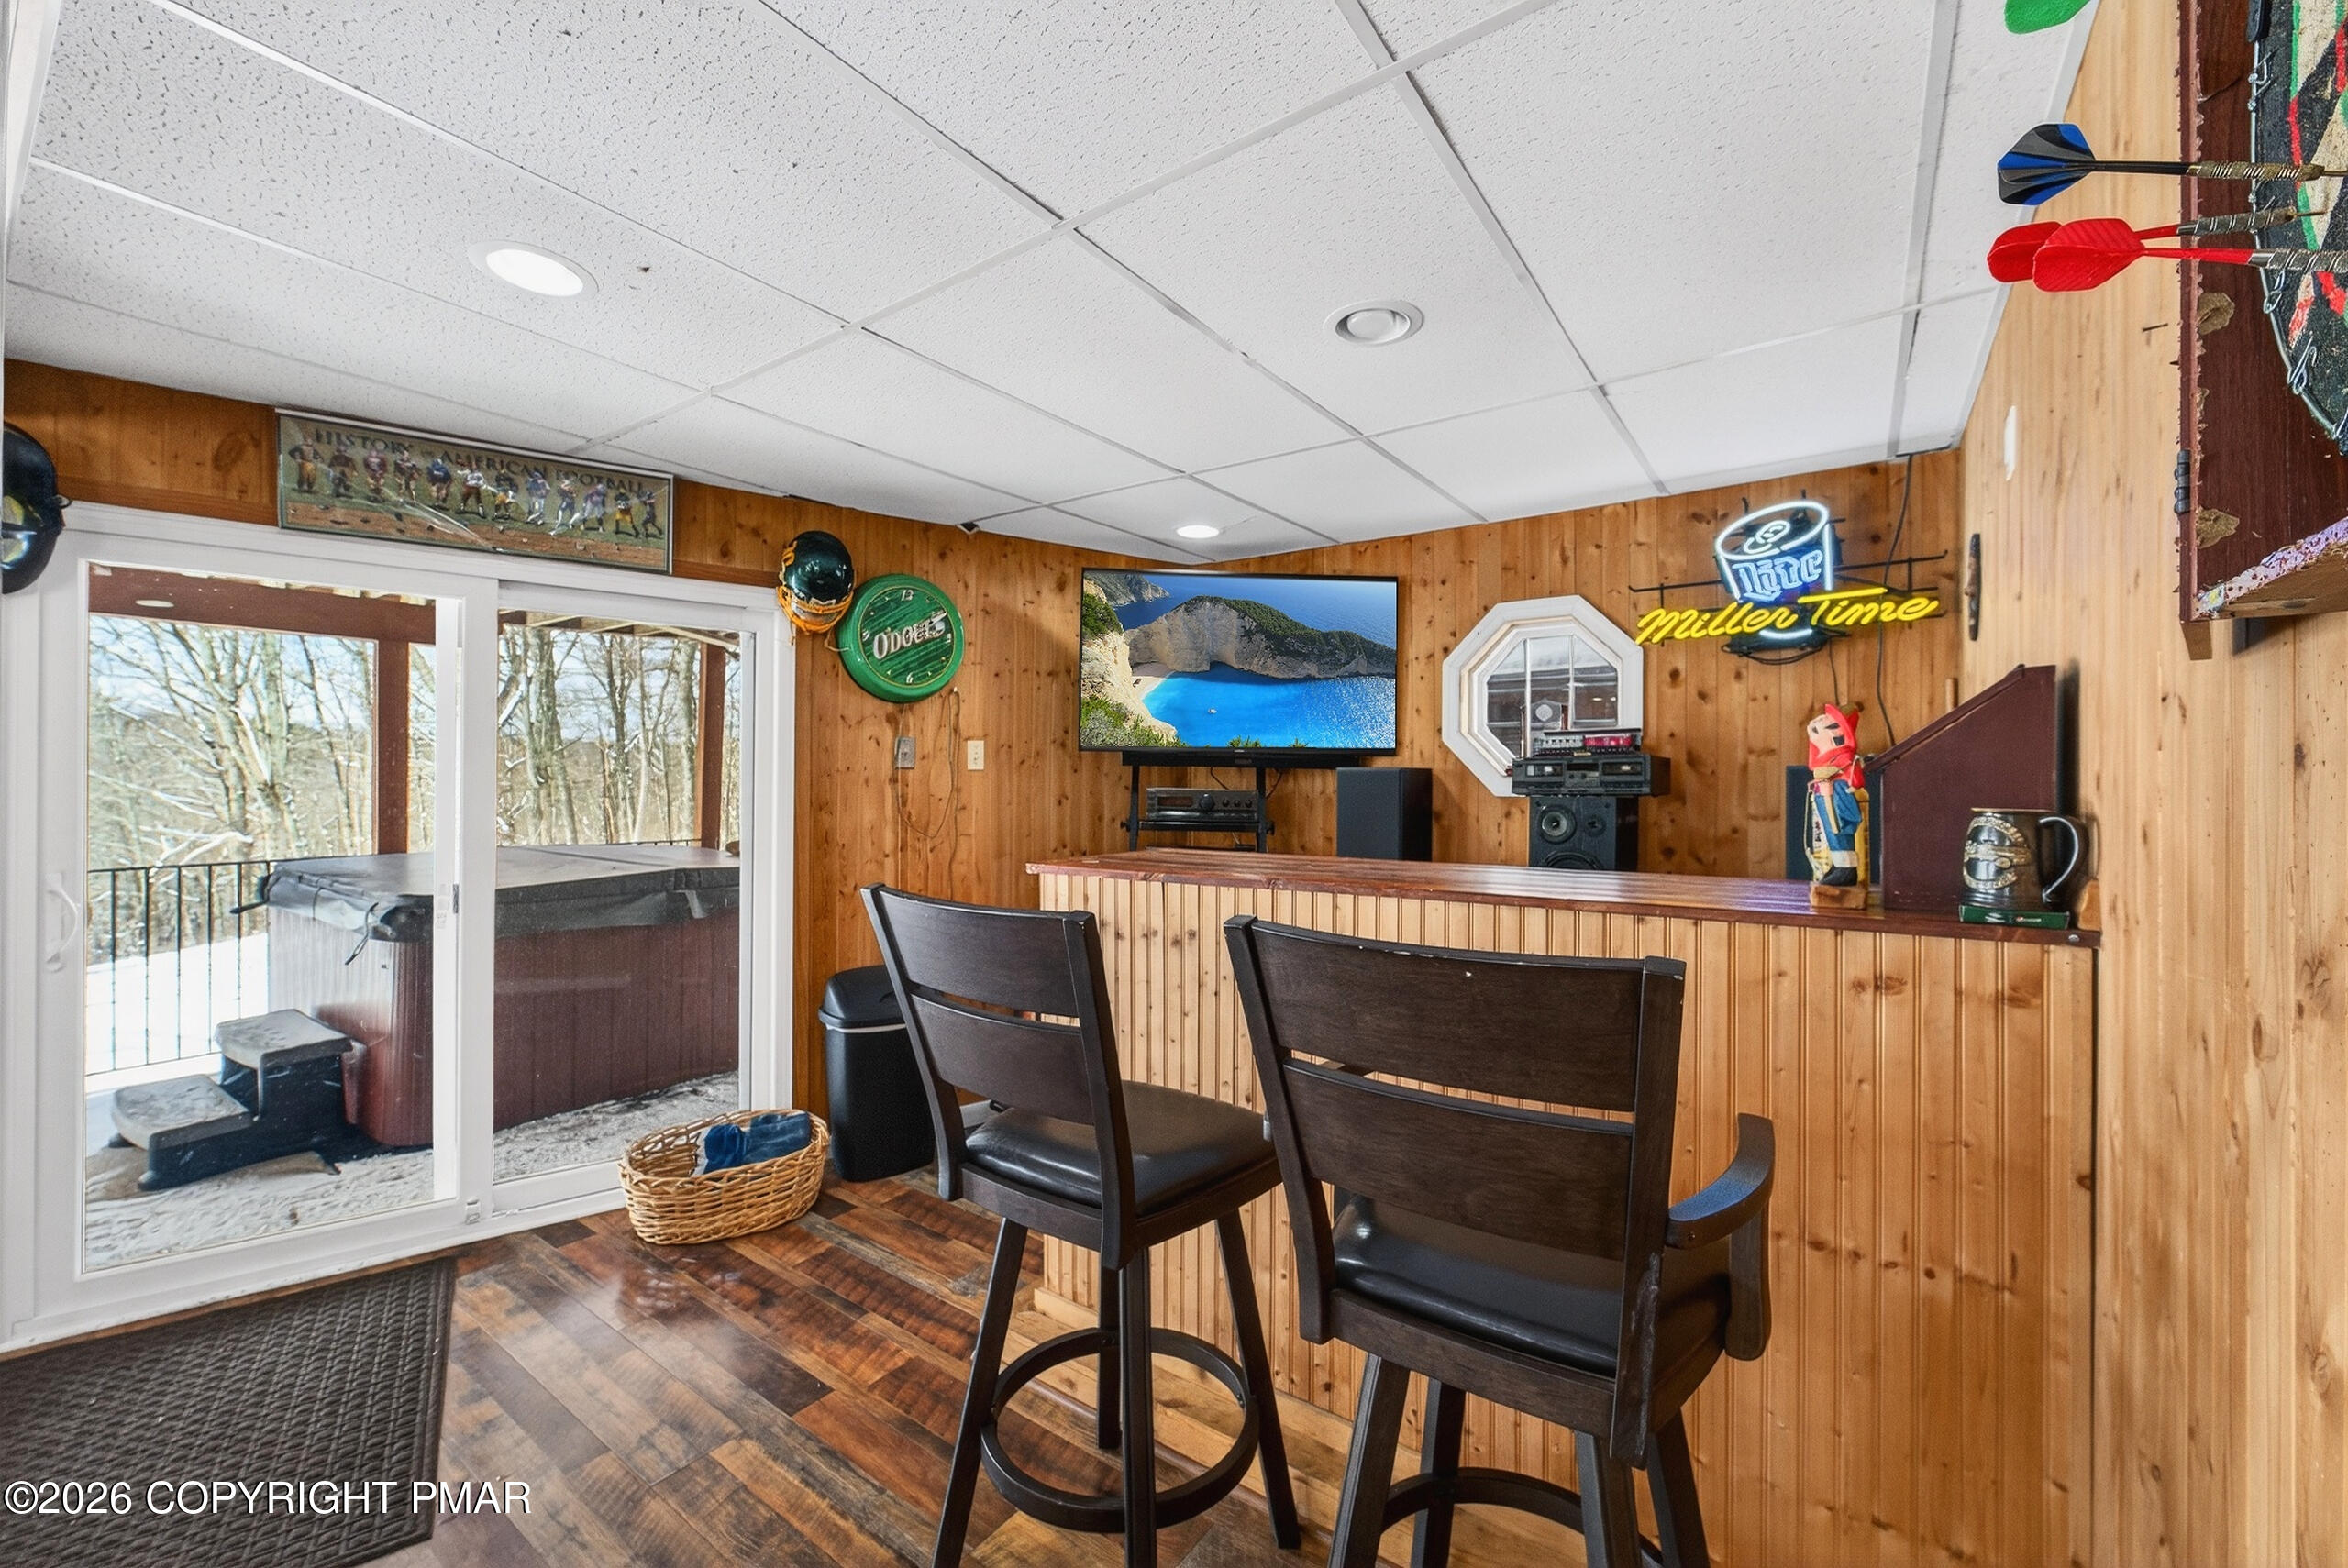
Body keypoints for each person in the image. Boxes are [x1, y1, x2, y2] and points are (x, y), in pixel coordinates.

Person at [1804, 703, 1866, 888]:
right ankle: (1838, 865)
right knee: (1828, 832)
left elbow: (1854, 777)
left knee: (1838, 828)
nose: (1819, 719)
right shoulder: (1828, 757)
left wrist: (1831, 777)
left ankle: (1846, 869)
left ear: (1837, 732)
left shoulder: (1844, 757)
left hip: (1837, 797)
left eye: (1826, 720)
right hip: (1825, 796)